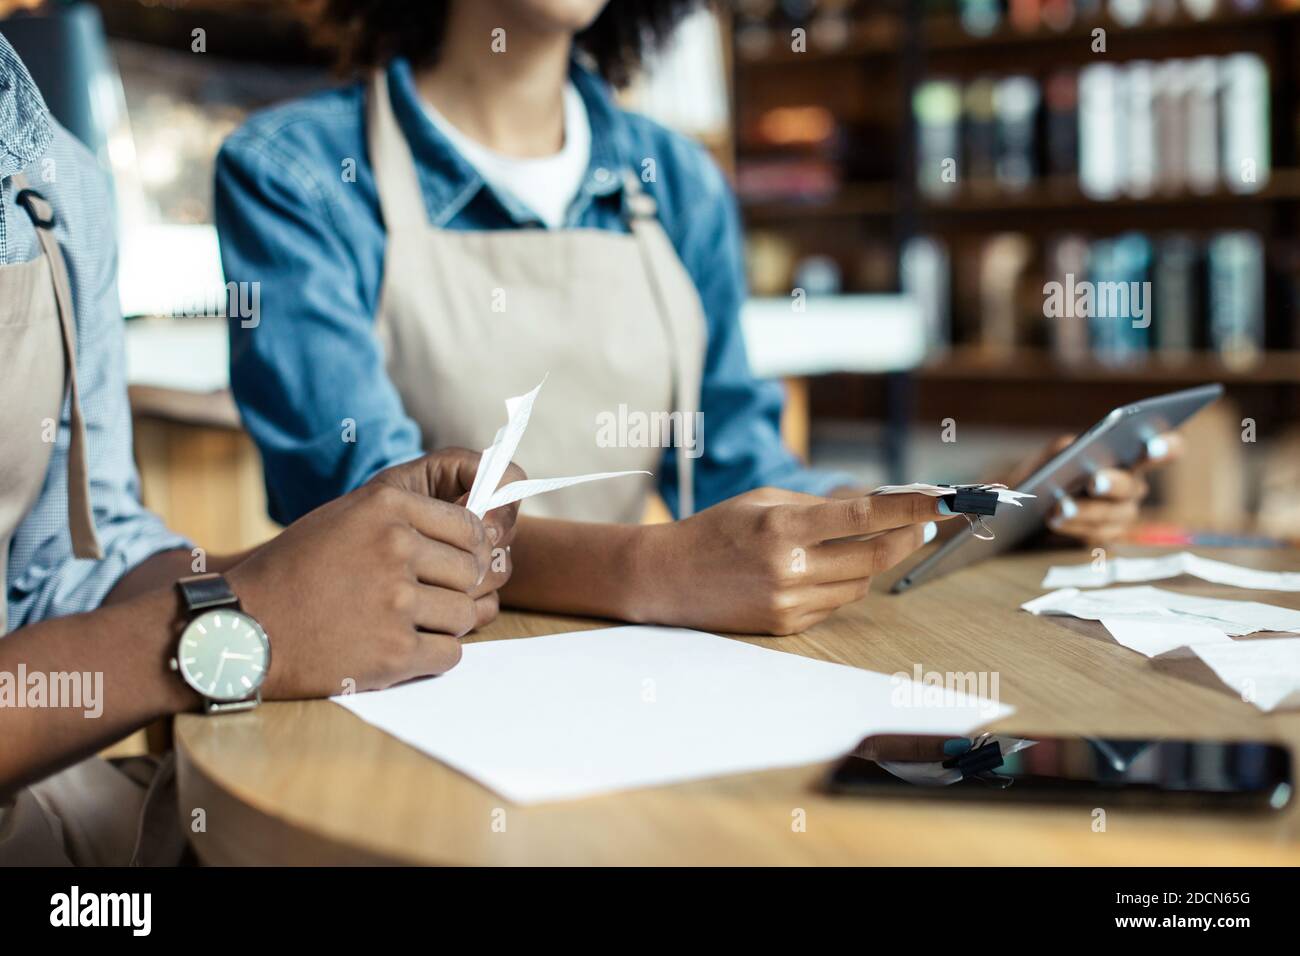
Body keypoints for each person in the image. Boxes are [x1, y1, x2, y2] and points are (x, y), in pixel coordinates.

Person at [215, 0, 1174, 637]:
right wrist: (650, 570)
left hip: (615, 667)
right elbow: (360, 521)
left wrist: (973, 505)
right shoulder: (294, 173)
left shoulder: (674, 182)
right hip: (405, 675)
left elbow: (746, 475)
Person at [0, 30, 520, 865]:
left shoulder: (58, 180)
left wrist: (297, 577)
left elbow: (64, 574)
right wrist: (234, 629)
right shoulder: (290, 164)